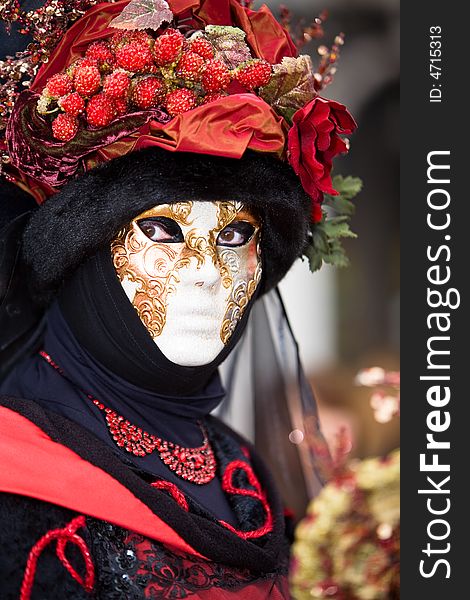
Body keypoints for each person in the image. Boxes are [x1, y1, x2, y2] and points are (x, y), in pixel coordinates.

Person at [0, 1, 356, 598]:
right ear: (81, 254)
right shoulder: (17, 475)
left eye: (235, 235)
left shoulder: (238, 466)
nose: (206, 275)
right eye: (163, 231)